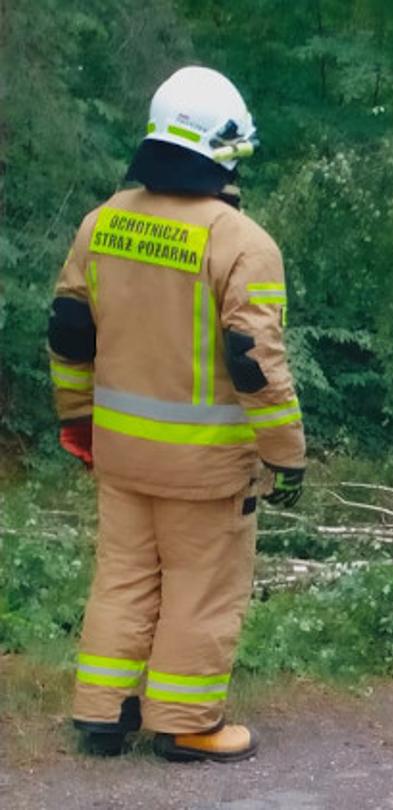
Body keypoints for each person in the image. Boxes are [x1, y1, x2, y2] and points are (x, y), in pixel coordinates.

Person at [51, 66, 307, 763]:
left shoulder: (101, 224)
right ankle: (187, 722)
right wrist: (286, 455)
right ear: (224, 148)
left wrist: (76, 419)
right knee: (201, 588)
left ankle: (103, 712)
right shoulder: (242, 243)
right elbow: (255, 363)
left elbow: (70, 334)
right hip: (206, 467)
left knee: (123, 577)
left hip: (121, 453)